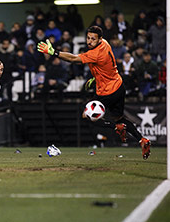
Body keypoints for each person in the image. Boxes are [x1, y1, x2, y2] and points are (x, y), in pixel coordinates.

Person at [37, 25, 151, 160]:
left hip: (107, 92)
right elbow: (106, 65)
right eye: (88, 38)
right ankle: (142, 140)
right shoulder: (105, 44)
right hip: (119, 86)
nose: (89, 41)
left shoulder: (95, 53)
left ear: (100, 39)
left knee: (87, 116)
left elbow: (73, 59)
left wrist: (54, 52)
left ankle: (117, 127)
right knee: (119, 117)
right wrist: (95, 77)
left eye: (93, 39)